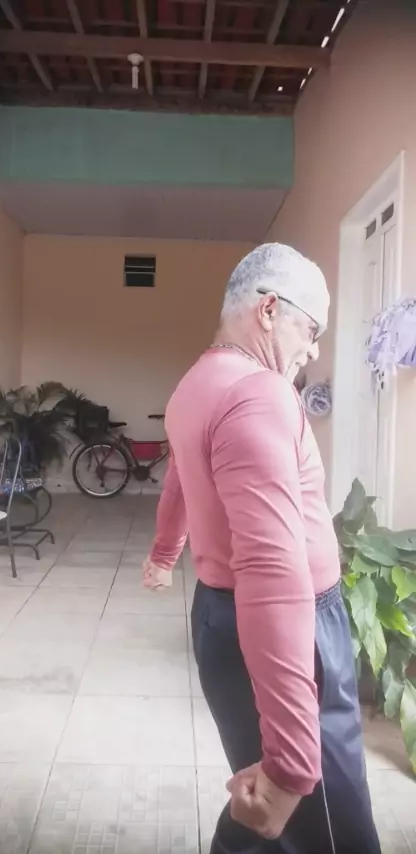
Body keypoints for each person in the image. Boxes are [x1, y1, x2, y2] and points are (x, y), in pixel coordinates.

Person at [142, 244, 381, 854]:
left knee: (269, 810)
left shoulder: (195, 385)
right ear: (270, 310)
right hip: (287, 624)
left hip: (219, 616)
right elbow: (272, 569)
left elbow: (180, 478)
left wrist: (166, 552)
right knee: (329, 826)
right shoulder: (259, 393)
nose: (315, 349)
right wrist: (296, 763)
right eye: (312, 328)